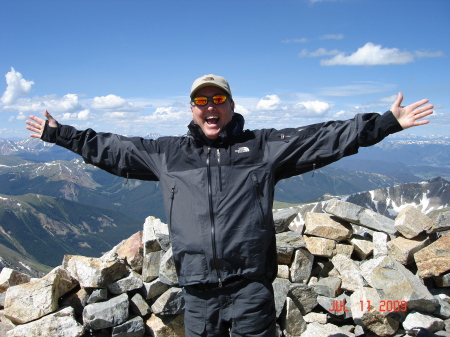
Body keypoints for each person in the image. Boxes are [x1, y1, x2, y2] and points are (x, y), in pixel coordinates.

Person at [26, 74, 433, 337]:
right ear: (192, 110)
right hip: (198, 292)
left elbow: (322, 138)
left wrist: (385, 124)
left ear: (231, 105)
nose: (210, 107)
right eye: (201, 102)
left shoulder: (261, 148)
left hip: (250, 288)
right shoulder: (168, 154)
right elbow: (112, 149)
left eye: (218, 99)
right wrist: (60, 135)